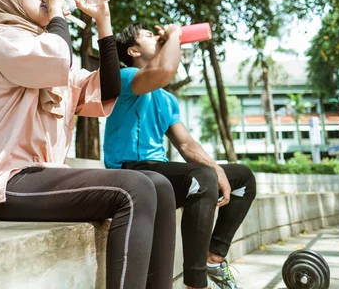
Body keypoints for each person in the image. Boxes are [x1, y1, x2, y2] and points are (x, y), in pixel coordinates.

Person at [0, 0, 176, 289]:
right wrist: (56, 13)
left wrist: (103, 20)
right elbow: (55, 56)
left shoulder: (54, 54)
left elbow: (108, 87)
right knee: (133, 188)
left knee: (160, 185)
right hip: (8, 181)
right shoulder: (2, 37)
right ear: (10, 1)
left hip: (45, 177)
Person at [103, 22, 257, 289]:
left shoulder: (166, 99)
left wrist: (217, 168)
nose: (157, 37)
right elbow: (163, 71)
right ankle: (196, 284)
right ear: (133, 50)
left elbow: (187, 145)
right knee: (202, 176)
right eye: (149, 35)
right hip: (131, 172)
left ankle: (213, 259)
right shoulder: (126, 78)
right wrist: (174, 35)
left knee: (242, 177)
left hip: (159, 172)